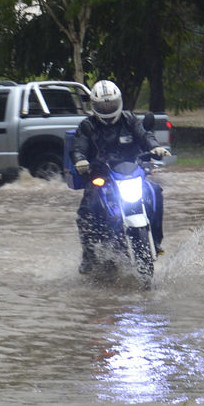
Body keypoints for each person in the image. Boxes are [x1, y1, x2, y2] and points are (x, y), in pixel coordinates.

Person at [69, 79, 171, 274]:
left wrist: (155, 147)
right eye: (102, 105)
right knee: (86, 211)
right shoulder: (88, 126)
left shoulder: (130, 119)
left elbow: (144, 135)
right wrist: (80, 160)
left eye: (111, 104)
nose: (107, 108)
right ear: (94, 106)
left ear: (119, 102)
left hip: (131, 173)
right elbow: (78, 148)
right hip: (102, 176)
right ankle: (89, 256)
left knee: (155, 191)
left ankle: (156, 241)